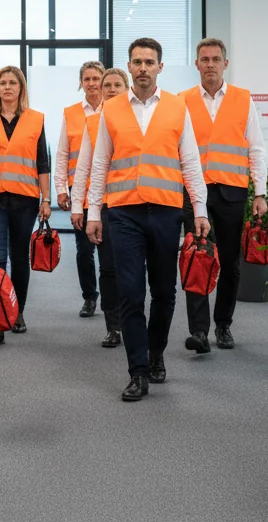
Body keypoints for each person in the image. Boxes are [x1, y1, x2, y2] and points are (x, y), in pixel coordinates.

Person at [85, 38, 209, 402]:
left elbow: (190, 162)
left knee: (164, 292)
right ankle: (137, 371)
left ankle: (156, 354)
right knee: (130, 292)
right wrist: (94, 211)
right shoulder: (111, 109)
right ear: (129, 66)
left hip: (167, 211)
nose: (143, 68)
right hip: (124, 211)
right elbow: (100, 163)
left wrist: (199, 210)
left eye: (149, 62)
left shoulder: (177, 107)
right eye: (137, 62)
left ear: (160, 67)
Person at [179, 38, 268, 353]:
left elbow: (256, 148)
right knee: (197, 257)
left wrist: (260, 193)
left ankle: (223, 325)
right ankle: (199, 331)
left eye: (216, 59)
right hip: (195, 192)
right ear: (197, 64)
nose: (210, 65)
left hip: (232, 192)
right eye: (204, 59)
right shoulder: (182, 100)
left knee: (230, 263)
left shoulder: (243, 99)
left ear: (225, 64)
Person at [0, 66, 51, 342]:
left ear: (21, 88)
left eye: (13, 83)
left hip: (25, 198)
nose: (7, 87)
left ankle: (17, 312)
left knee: (20, 257)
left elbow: (42, 162)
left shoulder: (36, 119)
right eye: (3, 83)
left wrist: (46, 199)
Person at [70, 68, 131, 348]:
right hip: (104, 205)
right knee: (108, 268)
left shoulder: (139, 121)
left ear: (127, 89)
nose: (111, 89)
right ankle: (113, 326)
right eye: (108, 85)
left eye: (118, 85)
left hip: (132, 203)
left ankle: (131, 320)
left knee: (130, 268)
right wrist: (79, 206)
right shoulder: (93, 122)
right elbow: (83, 168)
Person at [55, 61, 106, 318]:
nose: (92, 83)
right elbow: (62, 153)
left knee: (109, 252)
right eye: (87, 79)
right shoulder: (71, 113)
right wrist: (60, 188)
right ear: (81, 83)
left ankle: (111, 299)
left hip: (110, 191)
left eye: (96, 78)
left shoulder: (115, 109)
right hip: (80, 192)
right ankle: (89, 296)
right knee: (84, 250)